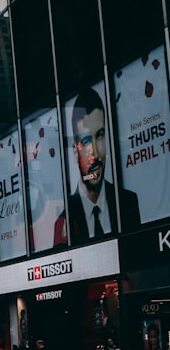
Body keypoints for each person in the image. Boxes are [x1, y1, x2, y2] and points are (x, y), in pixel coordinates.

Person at [54, 88, 141, 246]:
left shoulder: (128, 202)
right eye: (86, 141)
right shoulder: (64, 220)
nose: (94, 152)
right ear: (75, 151)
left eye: (99, 135)